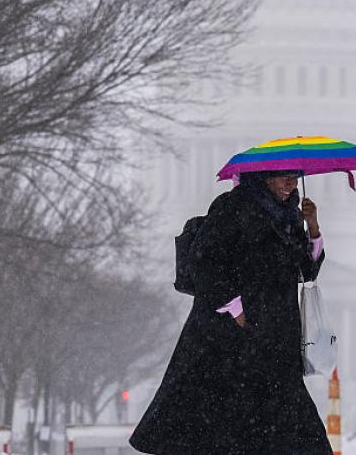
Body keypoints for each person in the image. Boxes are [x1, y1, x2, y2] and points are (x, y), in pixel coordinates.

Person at [130, 170, 332, 455]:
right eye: (283, 177)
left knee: (292, 430)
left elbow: (306, 271)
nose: (291, 184)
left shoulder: (289, 216)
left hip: (276, 340)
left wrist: (312, 227)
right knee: (229, 425)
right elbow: (205, 260)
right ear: (264, 178)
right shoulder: (233, 206)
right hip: (233, 338)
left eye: (295, 178)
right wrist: (237, 311)